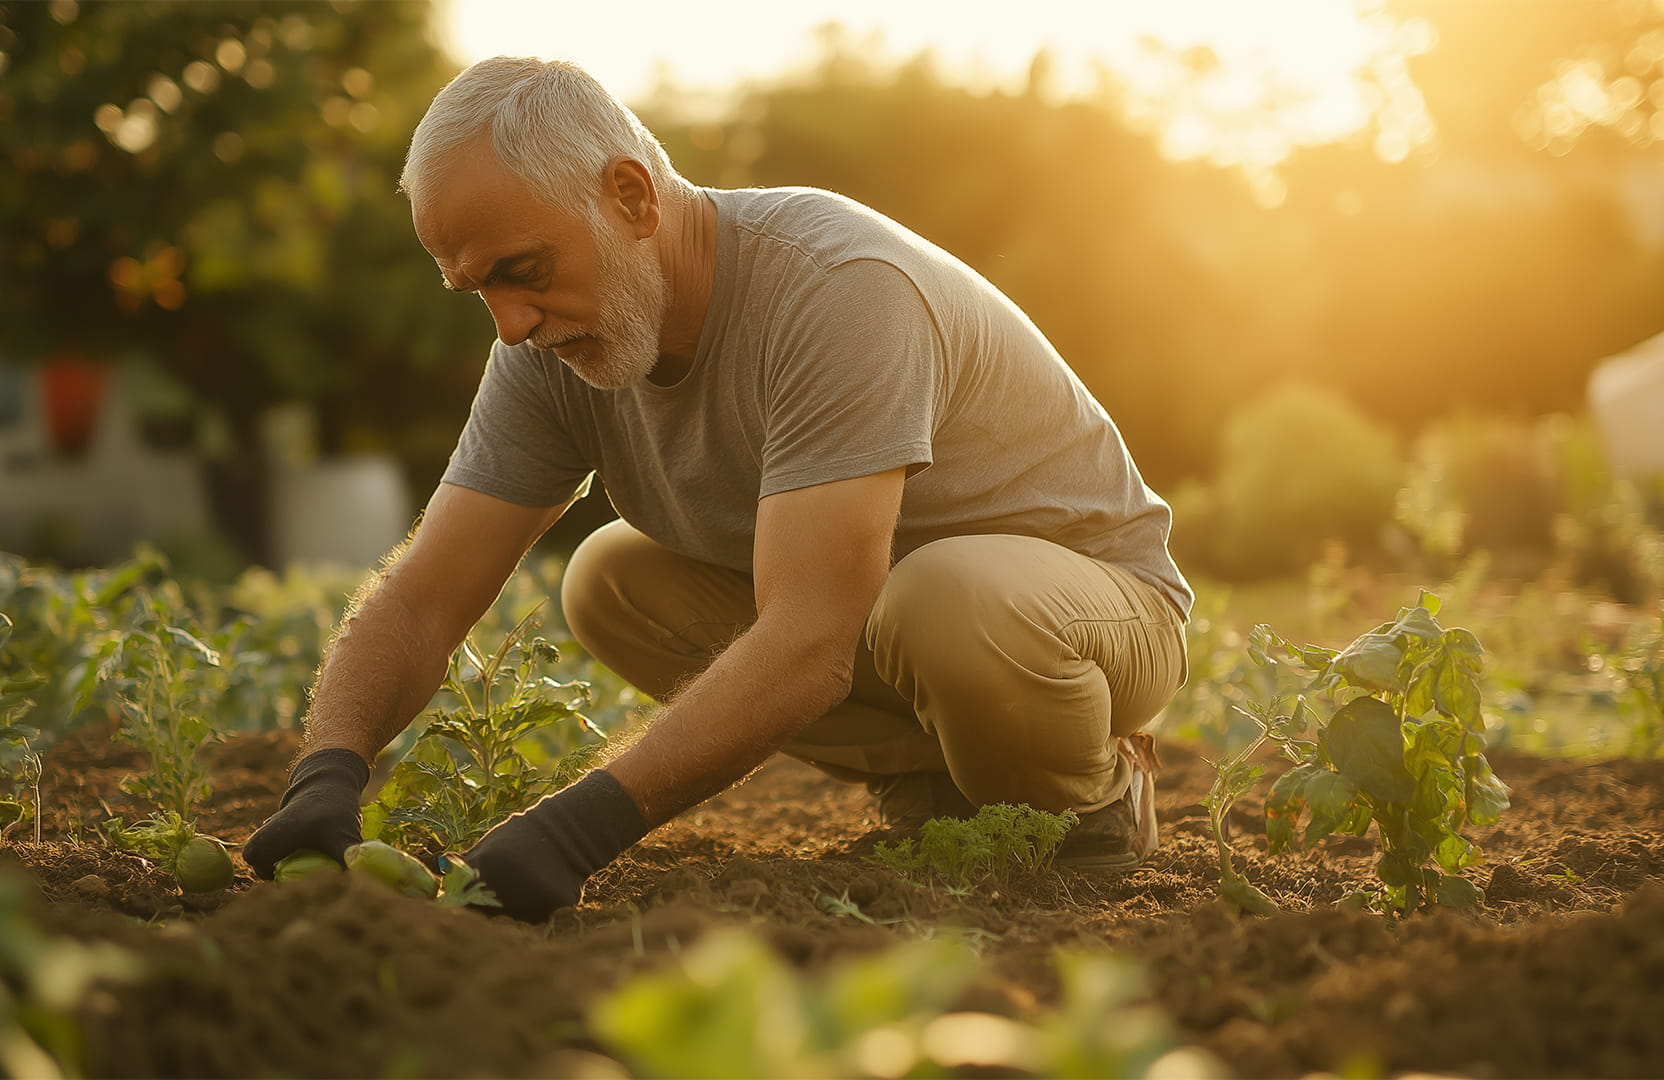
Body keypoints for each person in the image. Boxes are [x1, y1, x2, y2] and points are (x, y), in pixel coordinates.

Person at [242, 56, 1192, 922]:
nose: (510, 325)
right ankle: (934, 789)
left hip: (1093, 618)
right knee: (611, 580)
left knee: (950, 601)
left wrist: (574, 832)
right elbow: (421, 596)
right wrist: (326, 773)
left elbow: (811, 637)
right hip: (895, 618)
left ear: (631, 196)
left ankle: (1096, 808)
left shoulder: (835, 288)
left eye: (522, 273)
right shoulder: (548, 346)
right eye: (476, 290)